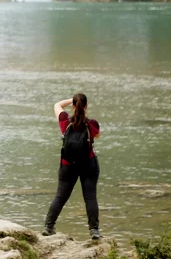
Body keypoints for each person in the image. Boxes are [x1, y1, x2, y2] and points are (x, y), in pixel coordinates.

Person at [43, 93, 101, 240]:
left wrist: (72, 100)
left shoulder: (64, 121)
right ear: (86, 106)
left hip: (68, 165)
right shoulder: (92, 124)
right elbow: (97, 136)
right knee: (90, 197)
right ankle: (94, 230)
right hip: (88, 164)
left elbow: (57, 105)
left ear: (74, 106)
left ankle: (49, 227)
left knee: (60, 196)